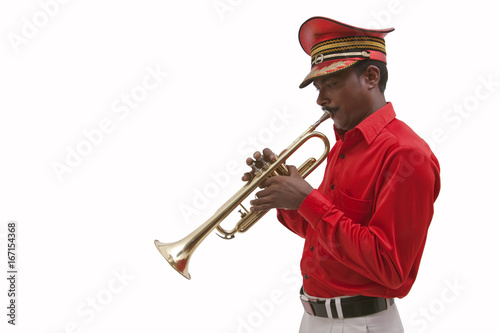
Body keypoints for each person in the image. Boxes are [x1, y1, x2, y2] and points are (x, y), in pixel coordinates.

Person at [242, 16, 441, 332]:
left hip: (362, 324)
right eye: (318, 87)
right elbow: (323, 235)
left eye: (331, 83)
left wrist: (307, 200)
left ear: (371, 77)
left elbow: (391, 268)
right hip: (313, 320)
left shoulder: (407, 155)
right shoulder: (343, 145)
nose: (321, 100)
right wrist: (284, 194)